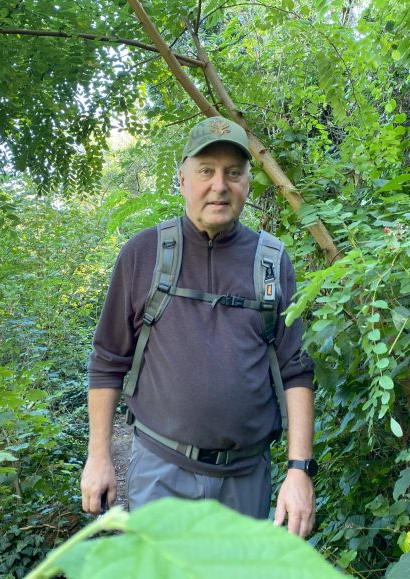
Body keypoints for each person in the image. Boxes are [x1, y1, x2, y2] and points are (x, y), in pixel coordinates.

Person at [81, 116, 316, 537]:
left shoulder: (271, 262)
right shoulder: (143, 254)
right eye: (206, 171)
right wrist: (98, 454)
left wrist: (299, 471)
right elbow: (108, 360)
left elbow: (296, 369)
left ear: (247, 182)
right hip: (160, 471)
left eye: (234, 173)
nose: (219, 186)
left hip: (246, 479)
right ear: (183, 179)